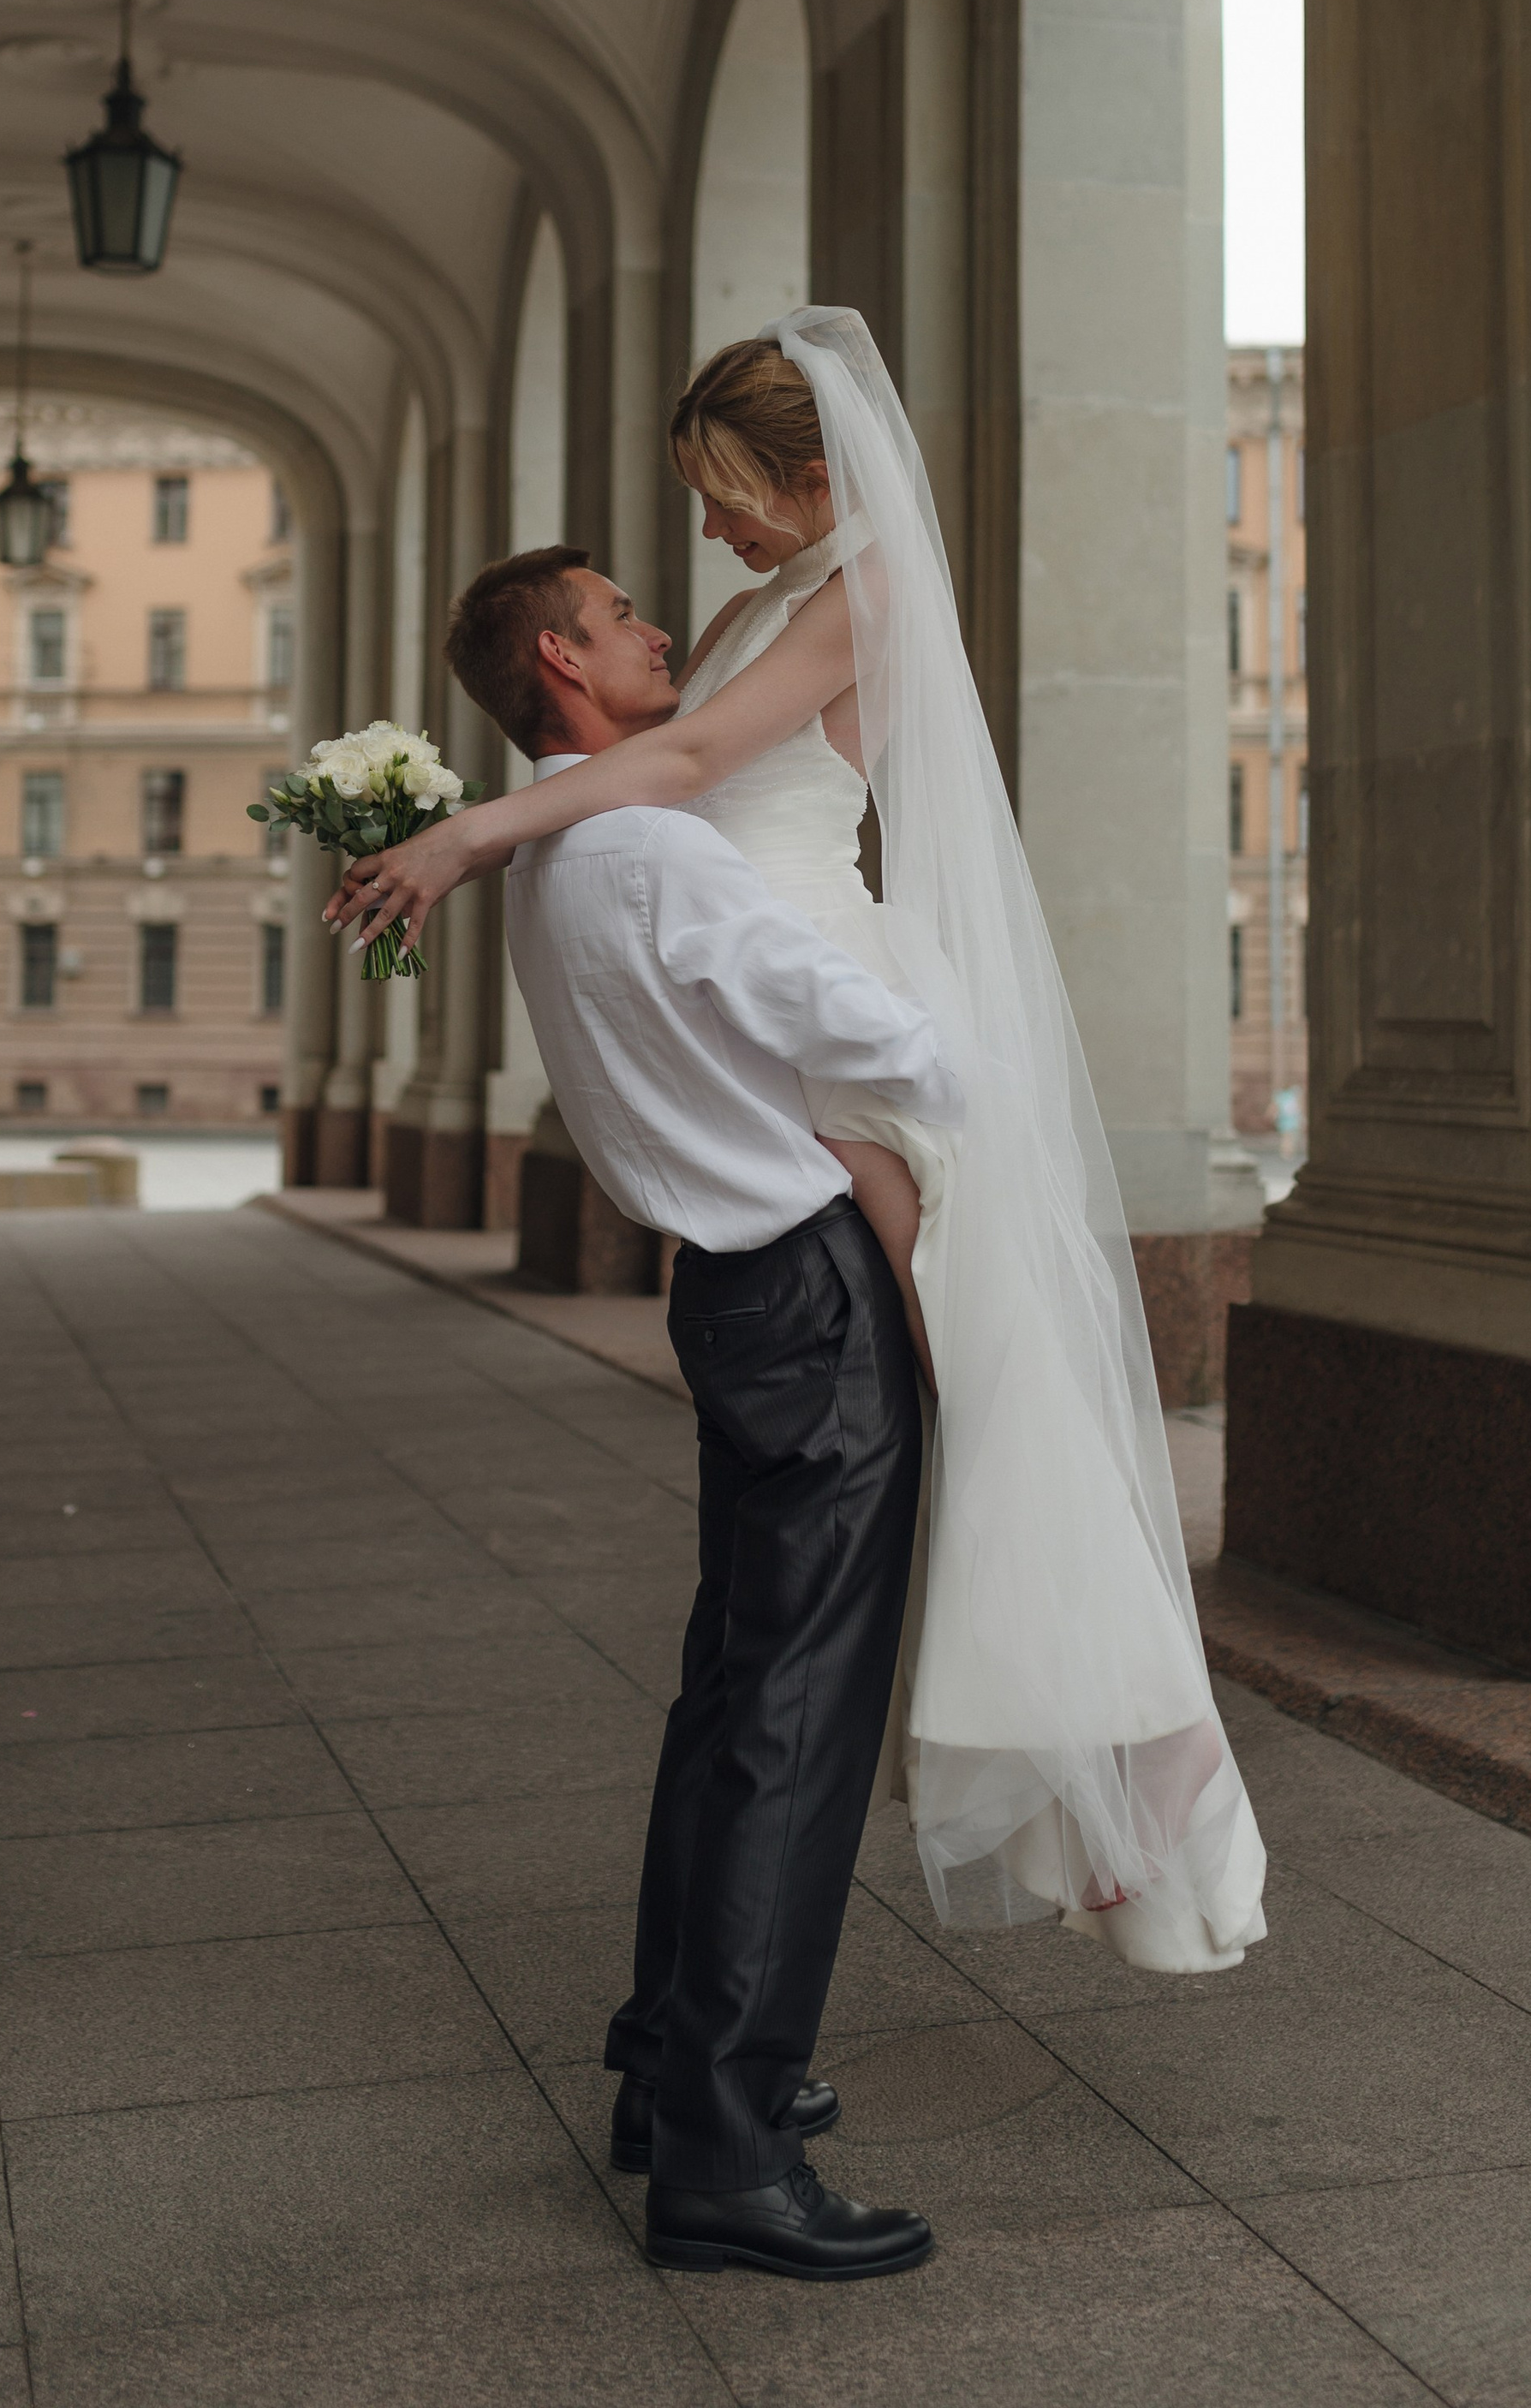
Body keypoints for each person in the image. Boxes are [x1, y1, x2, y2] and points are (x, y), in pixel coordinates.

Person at [337, 305, 1267, 1976]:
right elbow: (656, 765)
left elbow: (686, 757)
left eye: (725, 495)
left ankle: (1137, 1748)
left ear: (814, 473)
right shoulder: (767, 596)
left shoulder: (870, 588)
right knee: (942, 1422)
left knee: (991, 1399)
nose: (702, 536)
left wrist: (467, 833)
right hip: (772, 1012)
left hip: (830, 979)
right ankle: (1085, 1754)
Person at [440, 542, 960, 2280]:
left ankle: (672, 2072)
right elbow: (854, 1023)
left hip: (728, 1291)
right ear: (557, 660)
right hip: (800, 1297)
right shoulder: (650, 844)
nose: (658, 625)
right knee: (791, 1721)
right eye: (618, 614)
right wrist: (984, 1042)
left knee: (734, 1684)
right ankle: (729, 2151)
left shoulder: (553, 856)